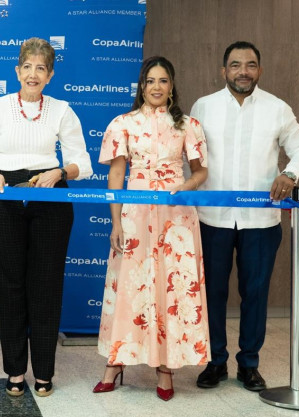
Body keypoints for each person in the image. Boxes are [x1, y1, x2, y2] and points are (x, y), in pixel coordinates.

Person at [191, 41, 299, 392]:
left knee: (255, 293)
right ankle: (215, 362)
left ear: (259, 70)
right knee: (212, 293)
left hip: (261, 222)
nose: (242, 71)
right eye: (235, 65)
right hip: (212, 218)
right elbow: (188, 152)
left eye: (250, 64)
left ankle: (249, 364)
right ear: (223, 70)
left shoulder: (278, 108)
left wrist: (290, 174)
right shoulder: (204, 106)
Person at [0, 37, 93, 397]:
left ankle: (43, 371)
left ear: (51, 74)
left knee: (45, 286)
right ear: (17, 70)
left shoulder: (61, 109)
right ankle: (14, 370)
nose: (33, 74)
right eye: (27, 67)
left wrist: (60, 172)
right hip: (5, 195)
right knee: (9, 286)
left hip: (50, 194)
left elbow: (83, 163)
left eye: (41, 68)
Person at [93, 56, 210, 402]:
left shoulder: (189, 125)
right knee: (130, 284)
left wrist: (183, 190)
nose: (156, 87)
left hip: (177, 218)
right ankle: (115, 364)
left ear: (172, 85)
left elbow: (201, 172)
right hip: (135, 215)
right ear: (141, 86)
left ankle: (166, 367)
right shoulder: (123, 124)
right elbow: (116, 176)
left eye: (163, 80)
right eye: (150, 81)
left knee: (171, 288)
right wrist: (116, 221)